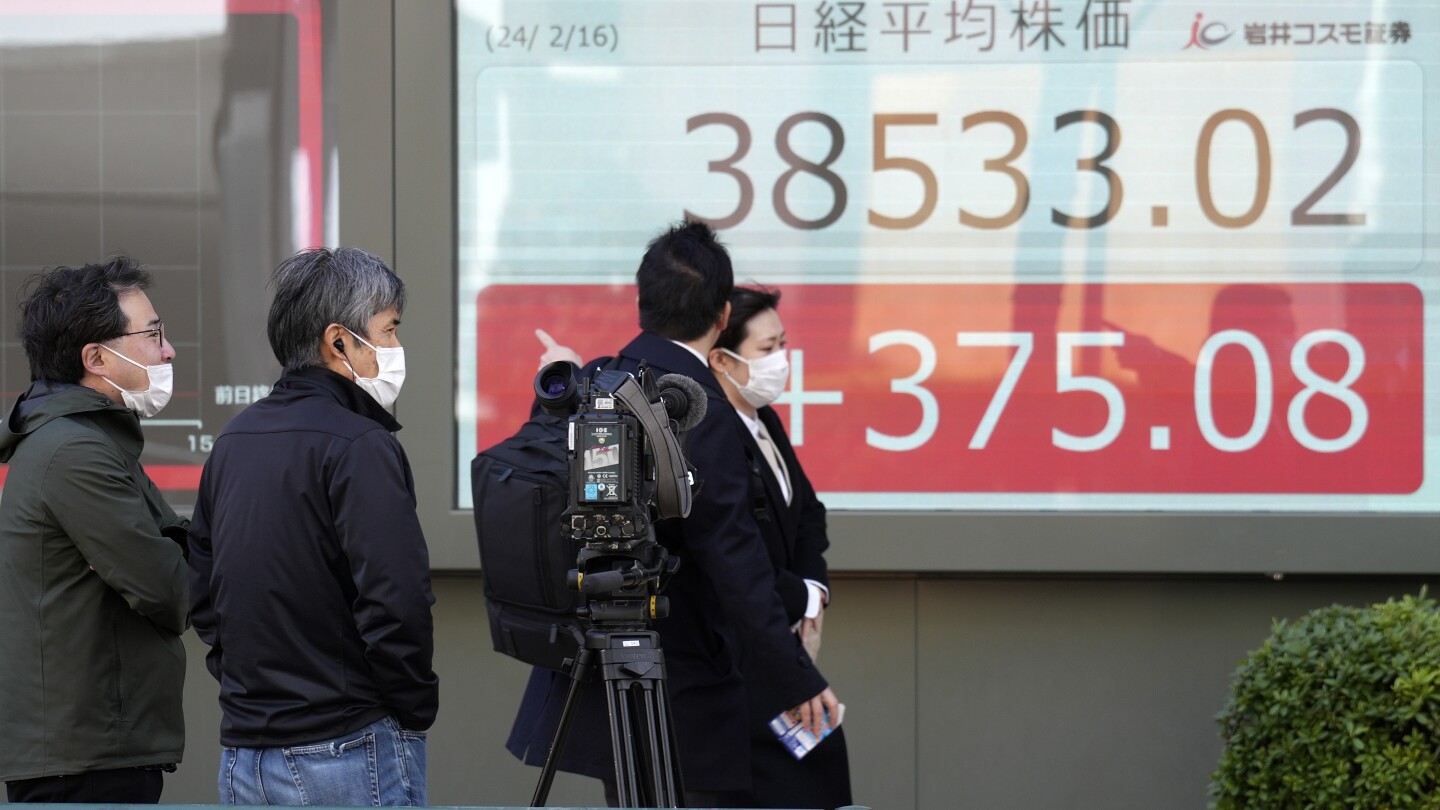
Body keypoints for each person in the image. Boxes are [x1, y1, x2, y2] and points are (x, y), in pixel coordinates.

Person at [507, 222, 840, 807]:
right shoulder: (700, 410)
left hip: (607, 682)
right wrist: (797, 679)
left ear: (642, 303)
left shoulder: (598, 384)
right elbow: (737, 566)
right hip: (683, 699)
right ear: (719, 316)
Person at [188, 247, 438, 806]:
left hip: (244, 756)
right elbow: (396, 599)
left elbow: (204, 591)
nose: (396, 349)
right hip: (347, 750)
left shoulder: (234, 440)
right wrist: (412, 707)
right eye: (389, 330)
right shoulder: (360, 444)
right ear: (339, 341)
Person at [0, 258, 187, 803]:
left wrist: (165, 546)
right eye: (153, 335)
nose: (168, 350)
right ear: (97, 358)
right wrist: (169, 549)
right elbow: (170, 591)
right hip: (86, 759)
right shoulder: (76, 452)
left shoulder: (89, 440)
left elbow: (166, 555)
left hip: (93, 749)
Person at [708, 285, 852, 809]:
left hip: (784, 642)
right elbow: (738, 556)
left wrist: (813, 587)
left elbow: (809, 513)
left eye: (783, 345)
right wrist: (802, 600)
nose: (781, 361)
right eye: (767, 350)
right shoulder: (716, 437)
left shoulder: (763, 418)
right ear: (722, 359)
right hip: (748, 659)